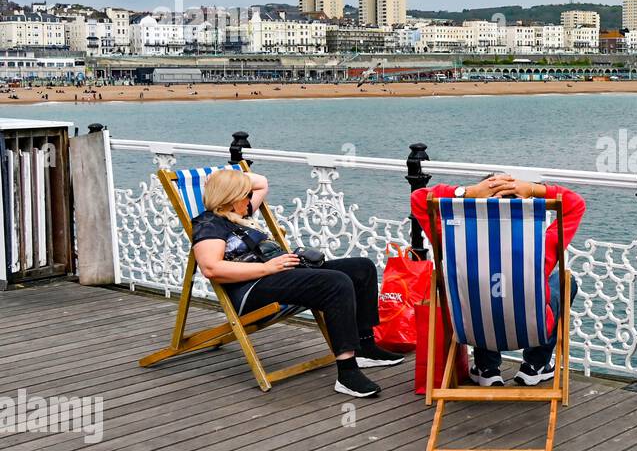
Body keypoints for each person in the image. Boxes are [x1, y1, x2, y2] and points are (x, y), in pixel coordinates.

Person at [191, 168, 404, 398]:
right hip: (252, 289)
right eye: (246, 195)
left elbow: (261, 182)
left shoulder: (240, 214)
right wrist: (267, 268)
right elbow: (211, 268)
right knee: (336, 283)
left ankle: (365, 347)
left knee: (362, 268)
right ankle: (347, 373)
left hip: (280, 273)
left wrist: (224, 177)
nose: (251, 199)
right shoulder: (210, 224)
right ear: (232, 200)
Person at [411, 174, 584, 387]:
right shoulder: (541, 244)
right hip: (532, 330)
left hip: (471, 330)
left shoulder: (454, 241)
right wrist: (532, 189)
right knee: (565, 282)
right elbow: (575, 203)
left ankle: (487, 368)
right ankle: (535, 365)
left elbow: (419, 198)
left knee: (482, 289)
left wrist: (470, 192)